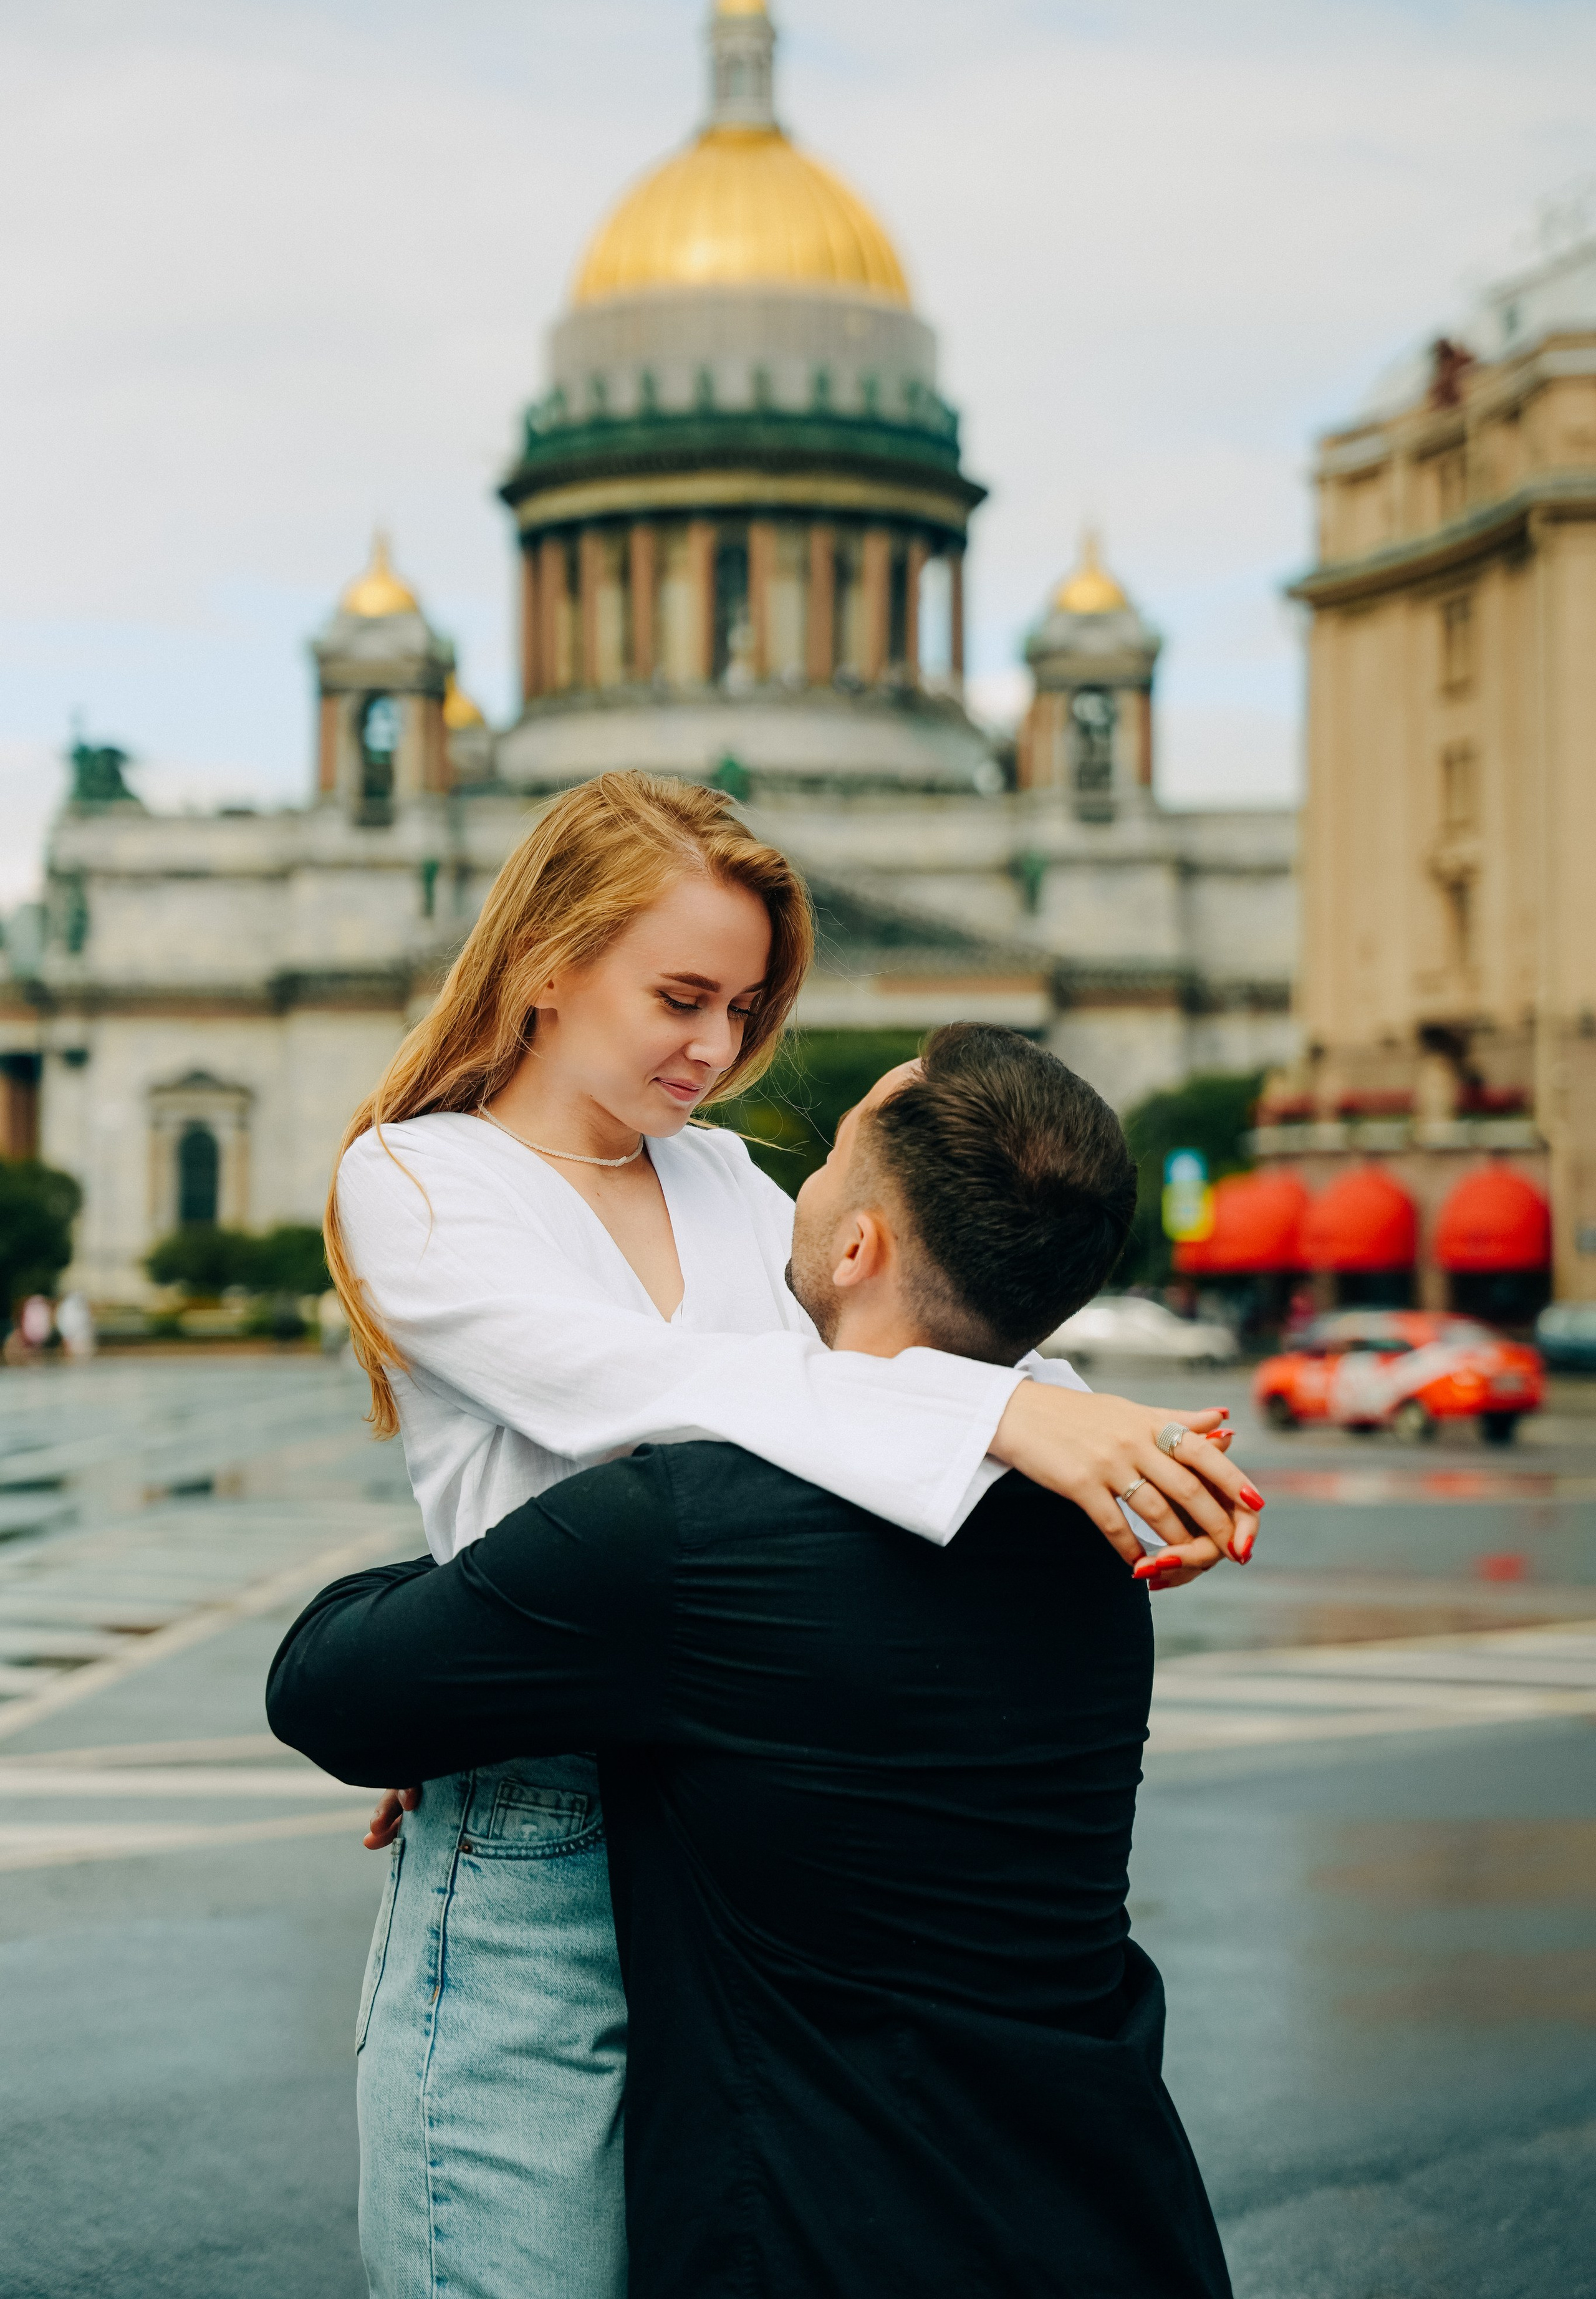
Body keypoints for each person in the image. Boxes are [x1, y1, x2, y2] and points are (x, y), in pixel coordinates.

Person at [322, 771, 1257, 2298]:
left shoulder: (719, 1173)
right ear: (546, 964)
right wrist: (1006, 1415)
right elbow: (631, 1410)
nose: (718, 1048)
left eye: (745, 1007)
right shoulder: (418, 1174)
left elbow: (881, 1355)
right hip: (548, 1822)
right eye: (680, 998)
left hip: (732, 1820)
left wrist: (1045, 1402)